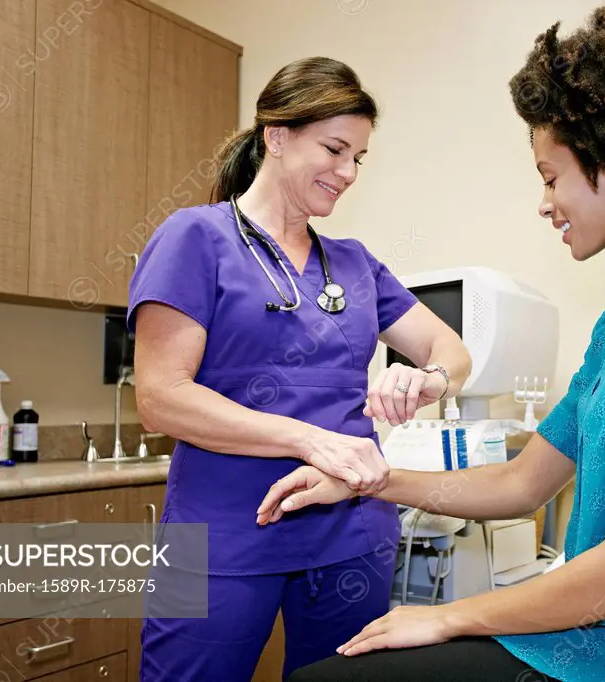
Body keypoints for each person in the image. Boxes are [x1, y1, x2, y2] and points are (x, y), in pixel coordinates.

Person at [261, 6, 605, 681]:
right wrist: (365, 484)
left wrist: (449, 614)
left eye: (550, 175)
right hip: (593, 646)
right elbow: (522, 481)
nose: (544, 201)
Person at [127, 56, 472, 681]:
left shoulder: (355, 262)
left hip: (351, 532)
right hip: (223, 536)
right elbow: (159, 398)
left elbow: (451, 351)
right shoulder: (194, 239)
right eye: (335, 148)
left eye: (358, 158)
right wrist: (311, 440)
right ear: (277, 136)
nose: (348, 173)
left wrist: (428, 380)